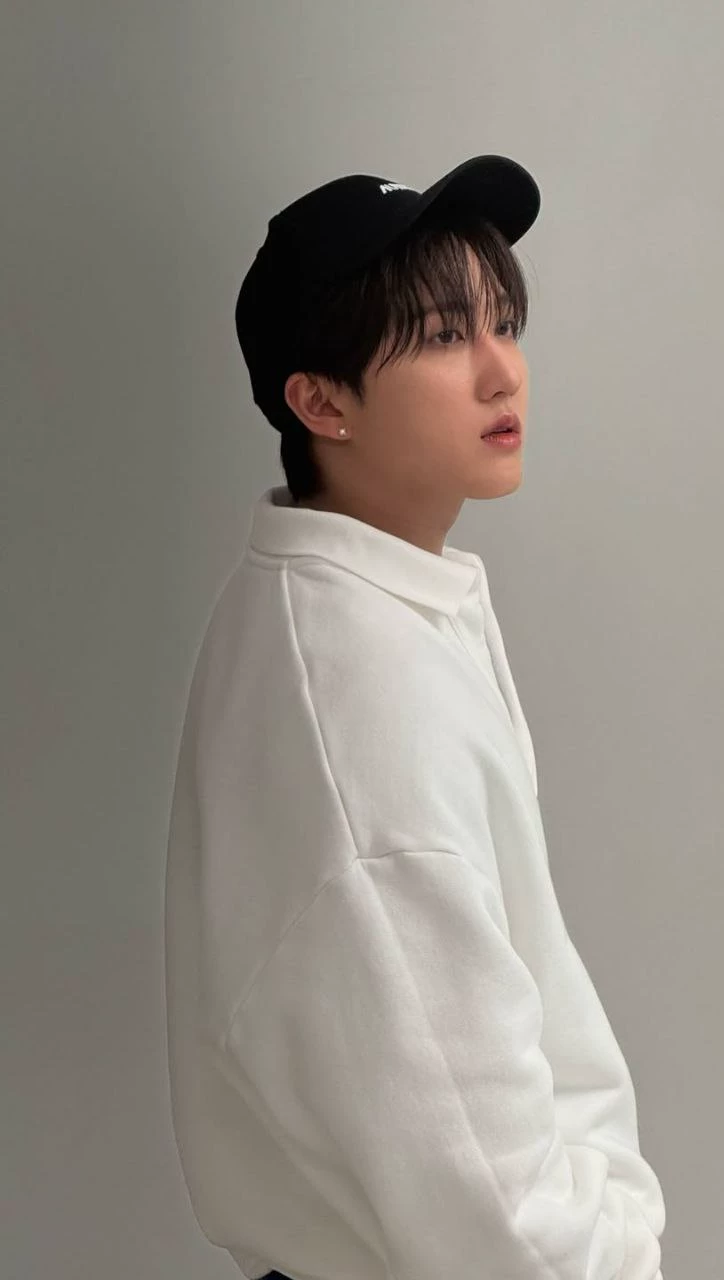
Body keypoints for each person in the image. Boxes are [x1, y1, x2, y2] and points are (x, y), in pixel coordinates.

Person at [163, 154, 666, 1280]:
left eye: (505, 323)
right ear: (320, 400)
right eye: (443, 336)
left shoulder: (360, 601)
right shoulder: (365, 692)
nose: (502, 371)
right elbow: (497, 1212)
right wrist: (622, 1247)